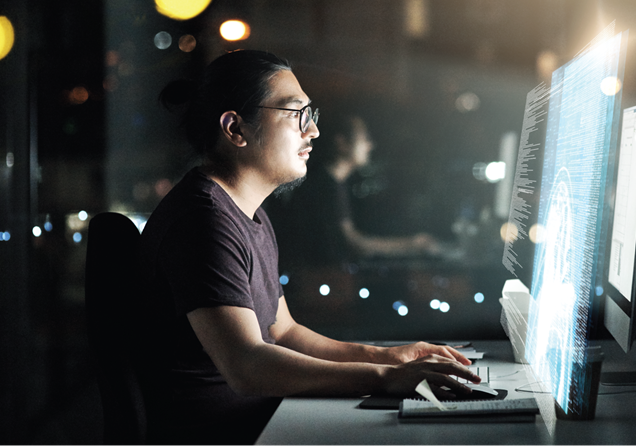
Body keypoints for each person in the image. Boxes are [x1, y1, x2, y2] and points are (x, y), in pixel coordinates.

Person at [139, 50, 479, 446]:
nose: (313, 130)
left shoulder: (249, 215)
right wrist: (387, 380)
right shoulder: (203, 222)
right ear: (235, 129)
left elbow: (284, 333)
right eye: (296, 113)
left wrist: (389, 358)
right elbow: (247, 366)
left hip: (264, 422)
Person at [274, 112, 441, 269]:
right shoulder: (325, 185)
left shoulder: (331, 181)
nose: (370, 145)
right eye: (364, 138)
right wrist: (412, 245)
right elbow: (352, 243)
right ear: (342, 143)